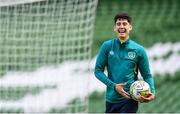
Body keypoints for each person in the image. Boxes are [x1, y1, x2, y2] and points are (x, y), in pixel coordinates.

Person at [94, 13, 155, 113]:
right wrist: (114, 86)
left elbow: (147, 75)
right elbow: (98, 71)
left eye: (124, 24)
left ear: (130, 27)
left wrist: (152, 92)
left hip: (129, 100)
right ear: (114, 28)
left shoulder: (139, 50)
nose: (121, 26)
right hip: (110, 100)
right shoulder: (107, 46)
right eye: (118, 24)